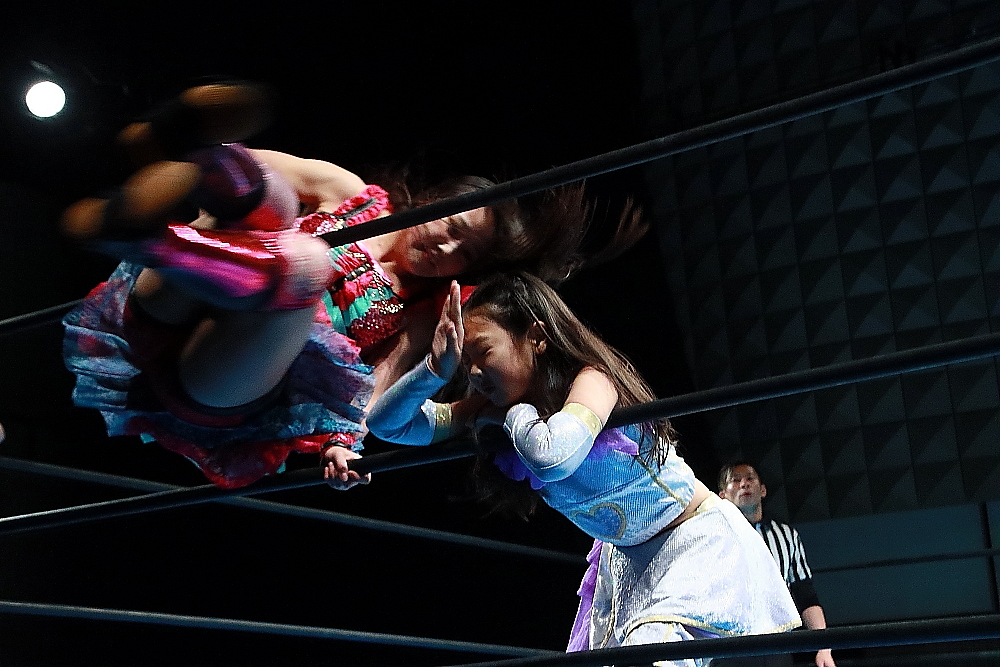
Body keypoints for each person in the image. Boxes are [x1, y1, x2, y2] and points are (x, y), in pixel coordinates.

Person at [61, 83, 604, 489]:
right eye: (452, 227)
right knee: (274, 202)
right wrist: (192, 167)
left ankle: (146, 239)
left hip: (220, 374)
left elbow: (373, 392)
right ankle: (174, 155)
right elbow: (258, 169)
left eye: (463, 254)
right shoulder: (351, 193)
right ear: (434, 201)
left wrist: (343, 444)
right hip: (170, 303)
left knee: (307, 262)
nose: (445, 249)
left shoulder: (422, 310)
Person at [364, 272, 800, 666]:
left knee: (655, 654)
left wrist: (511, 415)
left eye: (483, 352)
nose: (474, 372)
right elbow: (389, 425)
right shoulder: (489, 405)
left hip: (691, 540)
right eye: (465, 364)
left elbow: (553, 457)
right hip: (627, 560)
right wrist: (433, 371)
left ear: (536, 337)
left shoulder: (593, 381)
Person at [718, 463, 836, 667]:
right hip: (729, 646)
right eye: (735, 480)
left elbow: (805, 595)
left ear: (763, 490)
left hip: (777, 645)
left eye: (750, 478)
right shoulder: (714, 537)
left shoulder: (786, 536)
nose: (744, 484)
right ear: (722, 496)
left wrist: (823, 647)